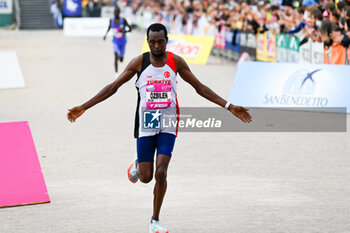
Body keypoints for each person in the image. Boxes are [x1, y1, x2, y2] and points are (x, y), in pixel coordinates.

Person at [67, 23, 252, 233]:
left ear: (167, 40)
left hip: (168, 121)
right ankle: (138, 163)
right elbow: (113, 87)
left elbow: (200, 87)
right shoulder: (139, 62)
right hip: (147, 121)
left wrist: (228, 106)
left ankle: (154, 220)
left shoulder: (176, 62)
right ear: (147, 42)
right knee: (146, 177)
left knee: (161, 172)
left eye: (160, 41)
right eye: (152, 41)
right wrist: (84, 106)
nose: (156, 45)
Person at [103, 7, 132, 74]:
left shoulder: (123, 20)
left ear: (119, 12)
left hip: (123, 41)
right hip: (115, 41)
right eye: (114, 12)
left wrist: (125, 31)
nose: (115, 13)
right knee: (115, 56)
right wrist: (105, 35)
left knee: (121, 60)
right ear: (113, 13)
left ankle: (120, 56)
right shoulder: (111, 20)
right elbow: (109, 27)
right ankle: (116, 73)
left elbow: (130, 29)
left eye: (117, 12)